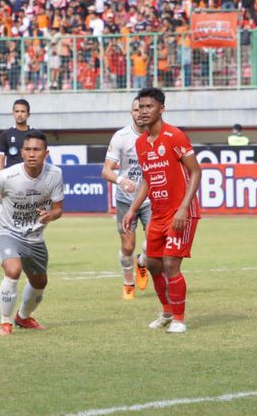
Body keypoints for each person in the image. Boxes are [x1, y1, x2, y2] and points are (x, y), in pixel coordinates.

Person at [122, 87, 202, 334]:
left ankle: (179, 318)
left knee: (170, 264)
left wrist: (183, 209)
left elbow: (196, 172)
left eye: (149, 107)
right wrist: (132, 209)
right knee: (154, 265)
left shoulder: (174, 136)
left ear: (161, 109)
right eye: (140, 107)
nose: (143, 112)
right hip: (157, 213)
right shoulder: (140, 143)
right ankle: (167, 311)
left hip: (181, 213)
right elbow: (147, 179)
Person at [0, 130, 64, 336]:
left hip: (35, 237)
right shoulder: (8, 176)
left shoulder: (55, 174)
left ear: (46, 153)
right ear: (22, 152)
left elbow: (59, 209)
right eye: (28, 149)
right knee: (13, 270)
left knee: (40, 282)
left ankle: (23, 318)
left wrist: (51, 215)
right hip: (8, 232)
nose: (32, 154)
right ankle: (5, 323)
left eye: (37, 149)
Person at [101, 97, 151, 300]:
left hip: (150, 199)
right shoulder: (121, 137)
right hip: (125, 199)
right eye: (136, 109)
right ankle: (128, 282)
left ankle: (143, 262)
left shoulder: (156, 136)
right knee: (128, 246)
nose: (140, 113)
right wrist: (121, 179)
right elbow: (106, 171)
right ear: (131, 113)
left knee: (155, 243)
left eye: (144, 109)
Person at [0, 99, 33, 173]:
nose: (19, 114)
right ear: (13, 113)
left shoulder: (36, 134)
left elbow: (41, 159)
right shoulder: (6, 134)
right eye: (17, 111)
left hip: (30, 176)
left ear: (28, 114)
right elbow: (1, 159)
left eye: (23, 111)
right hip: (11, 177)